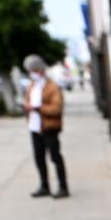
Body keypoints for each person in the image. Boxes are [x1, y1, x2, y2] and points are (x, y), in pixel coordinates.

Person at [23, 54, 68, 198]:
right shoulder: (31, 86)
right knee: (39, 158)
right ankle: (44, 185)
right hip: (35, 127)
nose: (32, 73)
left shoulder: (52, 87)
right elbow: (28, 101)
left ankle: (63, 187)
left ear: (40, 69)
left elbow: (56, 108)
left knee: (55, 157)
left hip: (49, 127)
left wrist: (37, 108)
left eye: (33, 70)